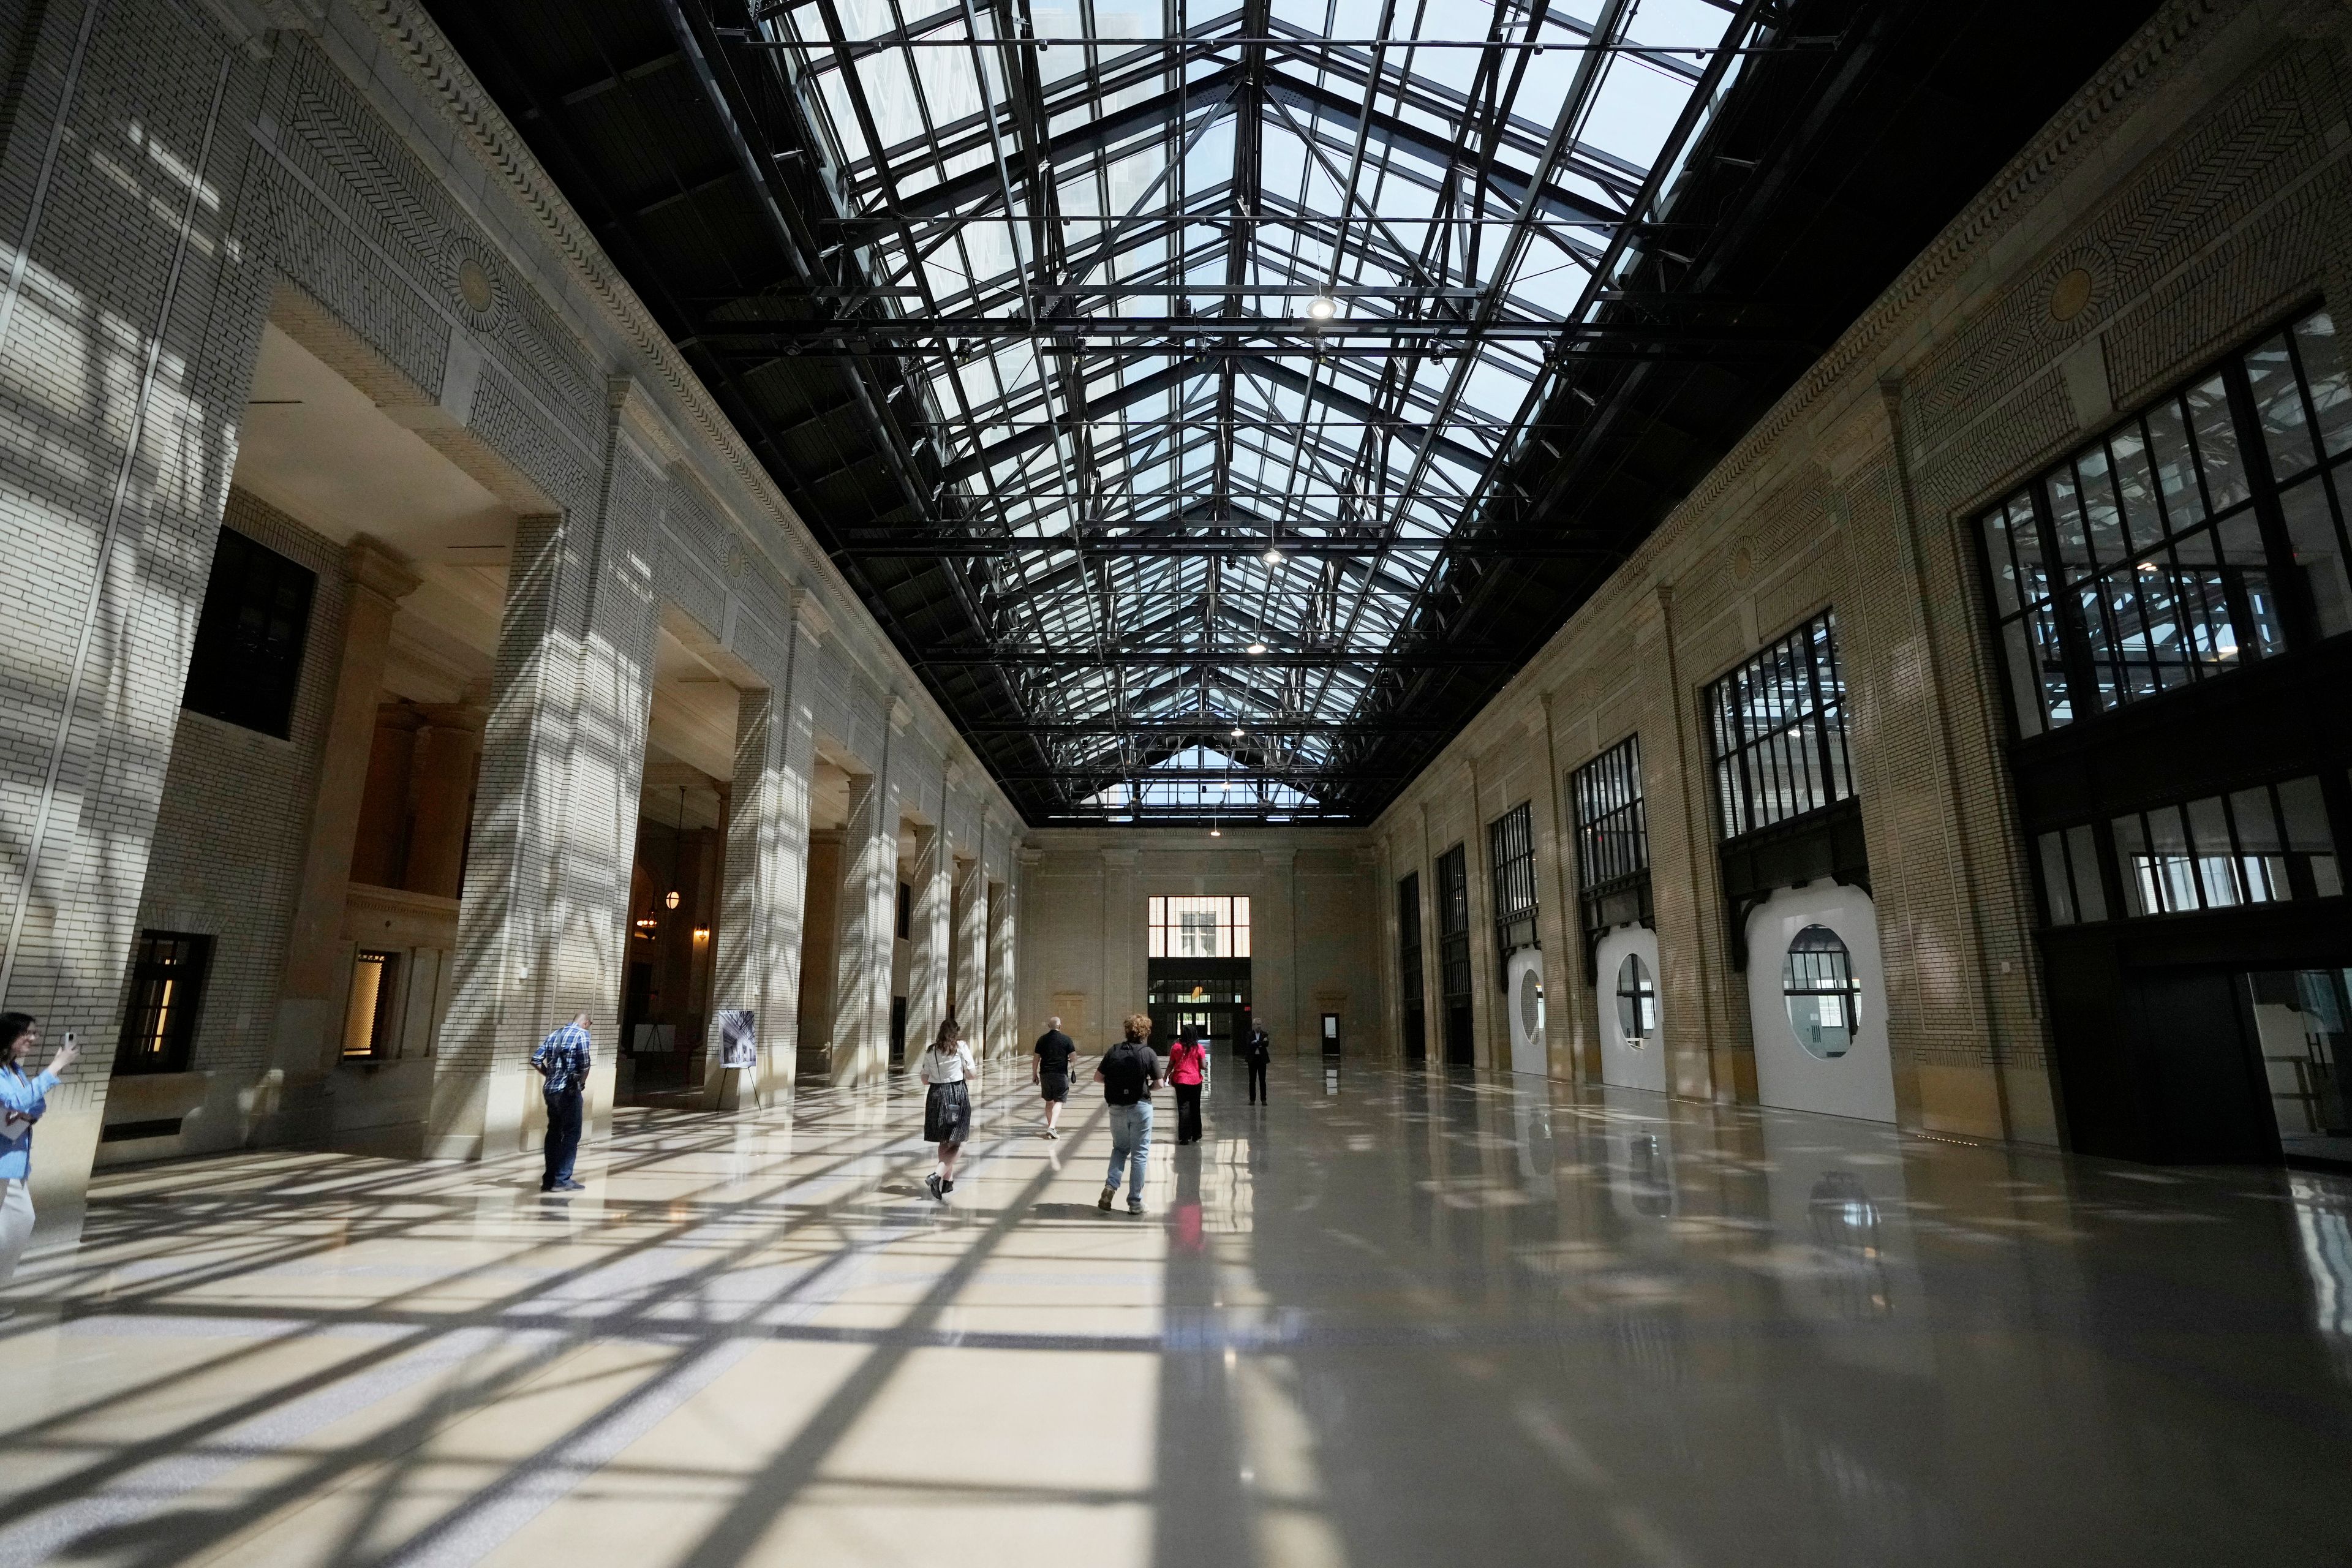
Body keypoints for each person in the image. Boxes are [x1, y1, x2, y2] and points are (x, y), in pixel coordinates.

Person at [0, 1014, 77, 1314]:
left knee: (21, 1222)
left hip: (16, 1162)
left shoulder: (15, 1071)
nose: (33, 1039)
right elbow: (18, 1101)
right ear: (9, 1036)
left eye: (35, 1033)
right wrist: (56, 1066)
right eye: (27, 1034)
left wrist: (29, 1110)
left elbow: (35, 1104)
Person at [1095, 1013, 1160, 1215]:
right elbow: (1160, 1084)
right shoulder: (1148, 1053)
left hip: (1116, 1107)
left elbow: (1098, 1078)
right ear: (1145, 1033)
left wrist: (1116, 1084)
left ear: (1127, 1030)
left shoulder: (1114, 1051)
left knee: (1120, 1149)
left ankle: (1111, 1186)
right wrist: (1145, 1086)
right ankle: (1135, 1202)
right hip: (1141, 1106)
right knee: (1140, 1155)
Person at [530, 1011, 592, 1193]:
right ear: (586, 1023)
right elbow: (585, 1064)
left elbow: (535, 1060)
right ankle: (562, 1179)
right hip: (568, 1091)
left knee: (554, 1133)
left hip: (550, 1091)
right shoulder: (581, 1034)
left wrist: (548, 1075)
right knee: (572, 1133)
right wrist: (581, 1083)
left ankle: (549, 1179)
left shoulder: (554, 1034)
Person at [919, 1018, 978, 1200]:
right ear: (956, 1033)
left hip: (935, 1096)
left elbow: (924, 1079)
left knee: (945, 1140)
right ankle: (937, 1174)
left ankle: (948, 1180)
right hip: (955, 1095)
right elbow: (972, 1075)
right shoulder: (960, 1047)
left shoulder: (931, 1050)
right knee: (961, 1140)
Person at [1032, 1016, 1077, 1139]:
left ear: (1048, 1027)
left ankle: (1051, 1126)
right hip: (1060, 1074)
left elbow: (1036, 1058)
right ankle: (1051, 1128)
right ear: (1060, 1026)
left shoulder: (1042, 1040)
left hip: (1045, 1074)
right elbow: (1073, 1058)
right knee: (1059, 1101)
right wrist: (1068, 1058)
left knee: (1049, 1101)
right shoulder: (1066, 1040)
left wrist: (1034, 1073)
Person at [1167, 1023, 1208, 1145]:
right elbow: (1203, 1066)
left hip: (1180, 1081)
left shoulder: (1176, 1047)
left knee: (1183, 1108)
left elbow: (1171, 1064)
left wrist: (1165, 1077)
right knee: (1195, 1107)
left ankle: (1184, 1137)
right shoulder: (1199, 1048)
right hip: (1195, 1081)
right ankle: (1196, 1135)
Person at [1243, 1025, 1272, 1105]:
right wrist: (1260, 1043)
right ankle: (1252, 1100)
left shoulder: (1264, 1034)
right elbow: (1249, 1044)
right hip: (1252, 1059)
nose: (1259, 1026)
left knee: (1262, 1080)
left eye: (1260, 1024)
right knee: (1252, 1080)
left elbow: (1266, 1043)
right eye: (1257, 1024)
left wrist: (1256, 1042)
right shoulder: (1249, 1034)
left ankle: (1263, 1099)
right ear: (1254, 1025)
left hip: (1262, 1059)